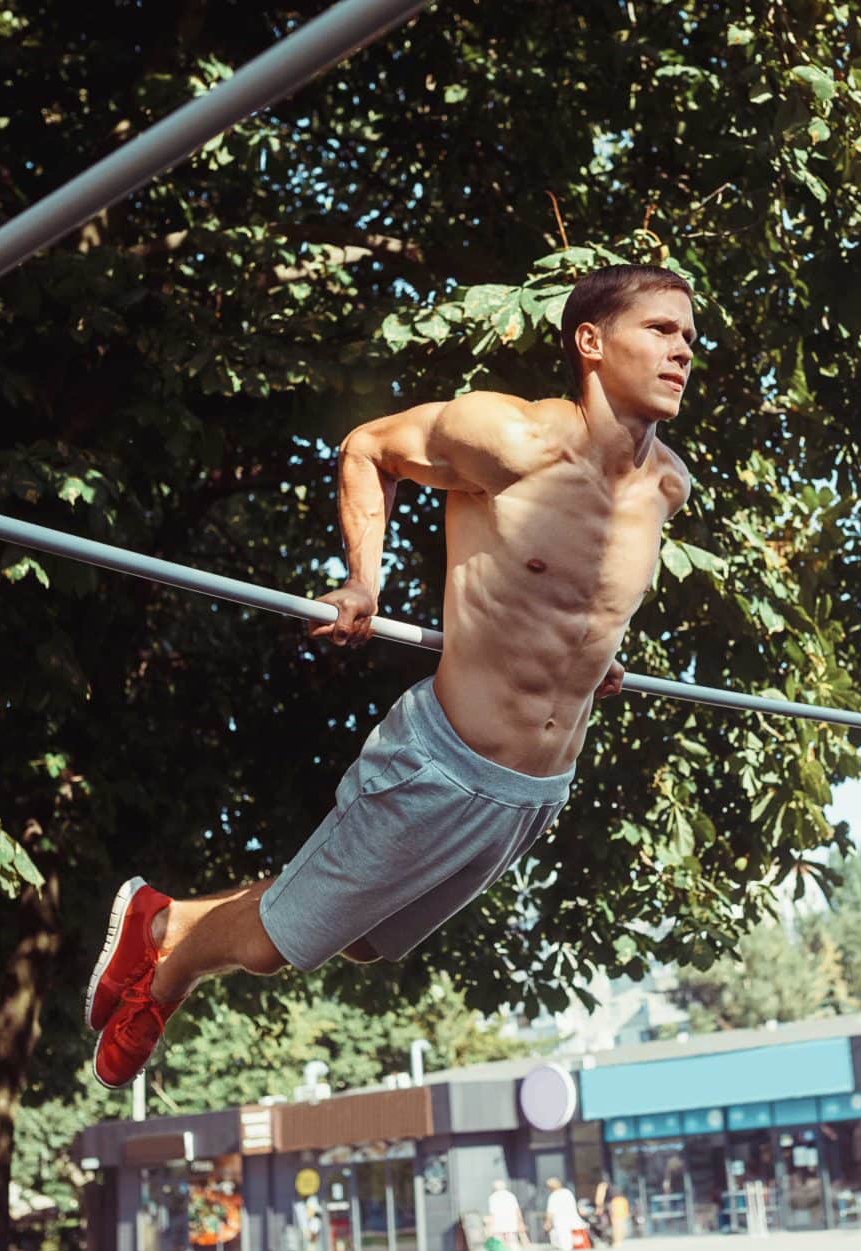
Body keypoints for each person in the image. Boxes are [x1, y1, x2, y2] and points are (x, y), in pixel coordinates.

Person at [79, 265, 697, 1086]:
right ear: (590, 341)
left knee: (363, 937)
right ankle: (173, 958)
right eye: (660, 330)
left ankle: (169, 922)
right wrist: (364, 582)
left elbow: (577, 594)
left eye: (689, 336)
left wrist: (589, 658)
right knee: (273, 947)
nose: (681, 350)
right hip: (440, 764)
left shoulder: (665, 485)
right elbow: (369, 447)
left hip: (536, 793)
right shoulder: (511, 439)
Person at [486, 1178, 527, 1251]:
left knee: (499, 1242)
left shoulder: (493, 1197)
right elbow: (517, 1210)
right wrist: (520, 1222)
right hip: (510, 1222)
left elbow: (492, 1213)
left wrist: (490, 1226)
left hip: (498, 1223)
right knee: (512, 1240)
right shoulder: (511, 1196)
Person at [544, 1177, 585, 1251]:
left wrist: (548, 1222)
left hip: (560, 1219)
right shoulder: (568, 1192)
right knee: (566, 1235)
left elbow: (550, 1211)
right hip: (570, 1217)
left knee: (561, 1236)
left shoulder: (553, 1196)